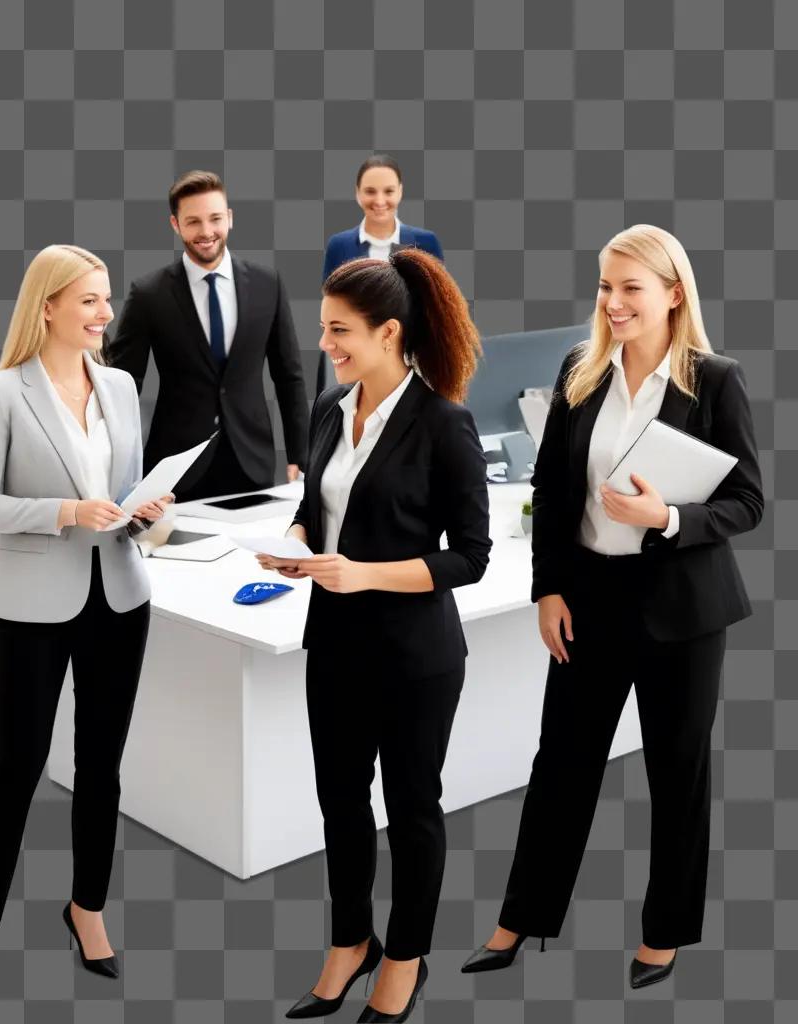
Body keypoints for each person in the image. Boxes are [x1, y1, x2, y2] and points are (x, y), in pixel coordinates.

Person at [462, 225, 764, 989]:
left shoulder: (715, 380)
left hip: (682, 611)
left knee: (677, 772)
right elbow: (555, 492)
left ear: (672, 293)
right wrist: (548, 589)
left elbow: (749, 502)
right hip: (589, 600)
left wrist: (666, 519)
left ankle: (664, 934)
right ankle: (519, 920)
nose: (615, 302)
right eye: (606, 286)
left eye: (632, 287)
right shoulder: (581, 371)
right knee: (562, 764)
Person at [259, 249, 491, 1021]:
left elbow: (471, 558)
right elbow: (320, 510)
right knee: (340, 804)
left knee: (412, 808)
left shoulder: (445, 423)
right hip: (334, 646)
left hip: (415, 658)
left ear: (389, 332)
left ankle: (405, 956)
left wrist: (362, 572)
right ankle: (348, 942)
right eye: (323, 329)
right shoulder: (331, 407)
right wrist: (295, 541)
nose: (325, 344)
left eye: (339, 331)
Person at [0, 245, 171, 1005]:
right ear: (46, 305)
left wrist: (150, 514)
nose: (105, 314)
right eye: (89, 301)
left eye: (107, 300)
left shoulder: (116, 385)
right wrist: (65, 514)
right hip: (33, 605)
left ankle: (87, 908)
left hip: (119, 596)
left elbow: (129, 500)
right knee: (16, 767)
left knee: (103, 767)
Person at [103, 170, 309, 501]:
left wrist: (301, 451)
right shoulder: (149, 293)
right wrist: (114, 465)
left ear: (229, 218)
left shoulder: (267, 283)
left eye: (215, 218)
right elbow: (123, 383)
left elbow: (289, 375)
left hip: (251, 460)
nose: (206, 231)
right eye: (193, 221)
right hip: (175, 467)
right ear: (175, 224)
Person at [315, 154, 444, 396]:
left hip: (411, 356)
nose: (380, 200)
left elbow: (437, 307)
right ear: (357, 193)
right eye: (370, 191)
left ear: (401, 192)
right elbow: (332, 306)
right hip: (355, 354)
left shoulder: (425, 242)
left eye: (388, 191)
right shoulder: (339, 245)